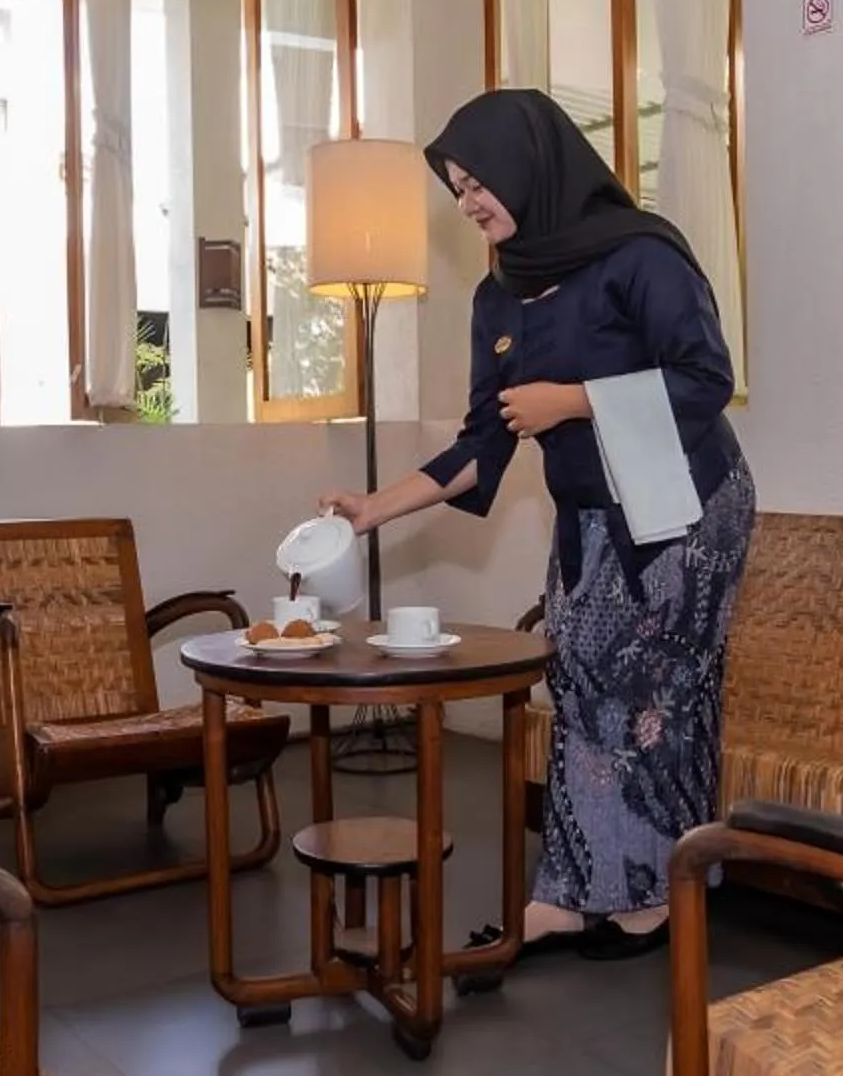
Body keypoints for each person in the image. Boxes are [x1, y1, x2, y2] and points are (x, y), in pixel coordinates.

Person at [318, 89, 754, 961]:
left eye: (480, 183)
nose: (471, 203)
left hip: (686, 509)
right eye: (459, 190)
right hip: (592, 516)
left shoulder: (640, 254)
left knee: (651, 697)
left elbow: (707, 378)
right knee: (581, 686)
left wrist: (574, 402)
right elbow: (485, 441)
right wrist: (374, 510)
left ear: (532, 167)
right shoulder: (499, 297)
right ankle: (571, 891)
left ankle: (650, 897)